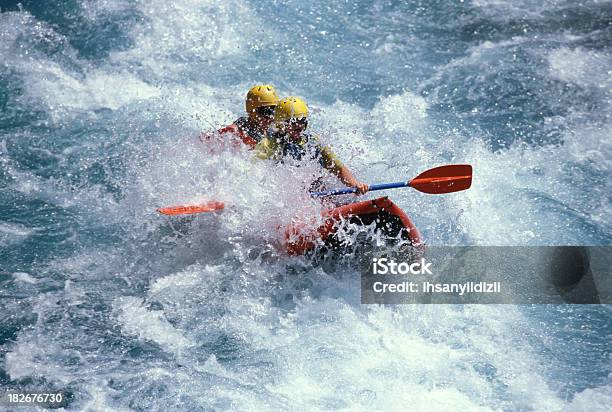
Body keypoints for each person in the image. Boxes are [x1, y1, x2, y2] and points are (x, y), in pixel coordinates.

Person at [255, 97, 369, 194]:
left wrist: (355, 185)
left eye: (302, 121)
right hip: (286, 196)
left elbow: (338, 168)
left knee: (319, 184)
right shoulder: (269, 144)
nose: (299, 125)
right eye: (294, 121)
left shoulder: (313, 141)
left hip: (315, 192)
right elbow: (256, 173)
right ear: (281, 123)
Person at [200, 84, 279, 148]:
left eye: (274, 111)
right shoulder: (237, 131)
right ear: (252, 112)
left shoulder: (274, 131)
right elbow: (205, 140)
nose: (271, 116)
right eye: (266, 112)